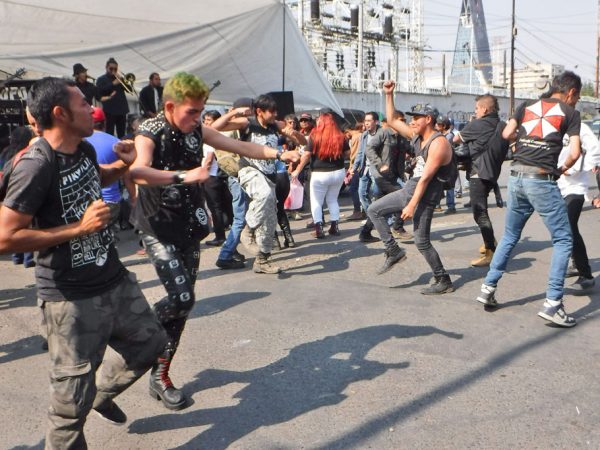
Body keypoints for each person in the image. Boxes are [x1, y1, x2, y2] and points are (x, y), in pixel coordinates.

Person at [0, 77, 167, 449]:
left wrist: (123, 166)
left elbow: (96, 175)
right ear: (60, 113)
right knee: (69, 408)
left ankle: (99, 396)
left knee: (151, 343)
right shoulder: (35, 165)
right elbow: (5, 238)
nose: (93, 110)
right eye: (82, 104)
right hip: (70, 300)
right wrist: (79, 228)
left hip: (113, 279)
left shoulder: (85, 148)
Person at [129, 74, 299, 410]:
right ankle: (135, 329)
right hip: (157, 226)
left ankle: (160, 375)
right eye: (192, 112)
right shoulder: (149, 131)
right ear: (170, 107)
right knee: (181, 296)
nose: (198, 119)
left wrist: (280, 154)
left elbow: (241, 147)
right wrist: (185, 176)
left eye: (201, 111)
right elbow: (138, 171)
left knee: (182, 306)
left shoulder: (196, 130)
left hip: (189, 224)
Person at [476, 71, 583, 327]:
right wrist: (561, 169)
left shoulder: (527, 105)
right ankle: (553, 303)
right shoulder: (571, 113)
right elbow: (575, 152)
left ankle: (488, 288)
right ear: (571, 92)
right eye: (577, 96)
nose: (576, 101)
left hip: (517, 177)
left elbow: (507, 134)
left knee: (510, 236)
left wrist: (523, 143)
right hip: (542, 179)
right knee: (563, 239)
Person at [368, 81, 455, 295]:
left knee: (421, 241)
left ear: (429, 119)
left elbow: (425, 179)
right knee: (374, 210)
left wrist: (411, 205)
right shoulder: (418, 137)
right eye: (412, 118)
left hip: (424, 195)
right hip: (411, 189)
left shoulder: (438, 143)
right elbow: (391, 120)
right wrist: (389, 94)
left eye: (416, 118)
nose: (412, 122)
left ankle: (443, 279)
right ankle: (393, 250)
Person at [212, 94, 306, 274]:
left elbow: (304, 142)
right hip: (249, 171)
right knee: (264, 194)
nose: (275, 114)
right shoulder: (246, 123)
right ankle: (248, 229)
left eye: (276, 111)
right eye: (271, 111)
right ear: (259, 111)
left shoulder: (276, 125)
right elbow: (213, 128)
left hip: (269, 176)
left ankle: (262, 260)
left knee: (269, 222)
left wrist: (295, 134)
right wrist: (233, 113)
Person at [453, 95, 508, 267]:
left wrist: (470, 126)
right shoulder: (502, 125)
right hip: (492, 173)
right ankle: (489, 242)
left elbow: (456, 139)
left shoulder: (478, 124)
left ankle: (491, 251)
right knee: (482, 211)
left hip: (479, 172)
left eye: (477, 108)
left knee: (480, 213)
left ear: (484, 109)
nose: (475, 111)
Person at [558, 121, 600, 289]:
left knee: (569, 226)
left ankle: (586, 275)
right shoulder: (550, 123)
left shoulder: (579, 126)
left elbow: (596, 149)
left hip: (575, 187)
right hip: (555, 185)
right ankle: (576, 263)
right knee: (564, 228)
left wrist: (574, 169)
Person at [295, 110, 349, 238]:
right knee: (333, 200)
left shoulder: (315, 136)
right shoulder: (340, 136)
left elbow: (307, 155)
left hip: (319, 173)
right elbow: (348, 153)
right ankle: (334, 227)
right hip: (338, 171)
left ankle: (319, 229)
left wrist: (297, 170)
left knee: (316, 202)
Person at [0, 126, 36, 267]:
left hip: (7, 194)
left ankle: (16, 257)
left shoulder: (5, 153)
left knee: (15, 227)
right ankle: (28, 259)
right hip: (23, 191)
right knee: (27, 226)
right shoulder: (27, 153)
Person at [86, 107, 123, 238]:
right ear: (104, 123)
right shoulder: (116, 142)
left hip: (88, 203)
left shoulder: (78, 143)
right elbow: (127, 174)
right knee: (108, 238)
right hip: (112, 201)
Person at [201, 110, 233, 246]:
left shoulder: (210, 137)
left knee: (215, 208)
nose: (206, 123)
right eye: (205, 120)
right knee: (225, 206)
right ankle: (232, 232)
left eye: (209, 120)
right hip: (220, 176)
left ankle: (220, 236)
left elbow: (208, 160)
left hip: (211, 177)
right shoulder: (220, 136)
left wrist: (202, 174)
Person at [95, 57, 129, 138]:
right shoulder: (101, 79)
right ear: (106, 67)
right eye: (111, 69)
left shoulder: (120, 79)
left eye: (115, 69)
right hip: (109, 110)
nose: (113, 71)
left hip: (122, 109)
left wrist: (125, 81)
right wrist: (113, 84)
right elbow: (100, 91)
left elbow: (129, 90)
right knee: (109, 133)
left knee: (122, 134)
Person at [435, 116, 457, 214]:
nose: (436, 126)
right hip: (442, 164)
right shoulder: (441, 135)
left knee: (449, 186)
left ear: (444, 126)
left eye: (438, 124)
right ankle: (437, 204)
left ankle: (451, 206)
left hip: (449, 165)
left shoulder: (449, 136)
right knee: (439, 184)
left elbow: (442, 146)